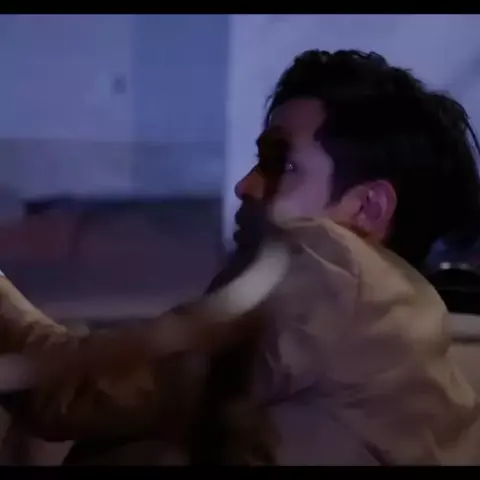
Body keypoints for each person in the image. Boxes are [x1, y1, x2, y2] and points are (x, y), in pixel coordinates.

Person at [2, 49, 480, 465]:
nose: (245, 186)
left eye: (282, 165)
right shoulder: (392, 308)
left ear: (367, 207)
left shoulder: (332, 267)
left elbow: (70, 389)